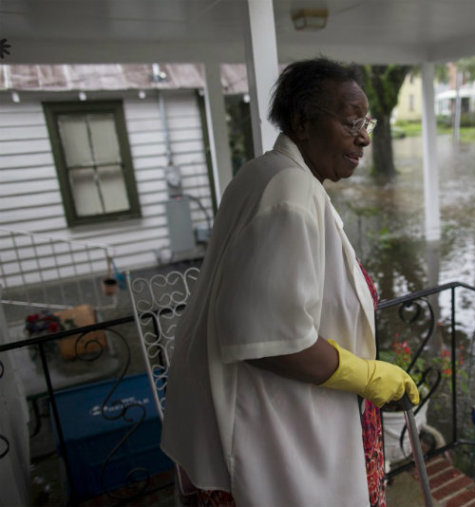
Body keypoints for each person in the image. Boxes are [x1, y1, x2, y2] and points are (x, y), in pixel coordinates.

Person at [160, 58, 420, 507]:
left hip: (277, 418)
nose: (364, 136)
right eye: (350, 121)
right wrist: (368, 375)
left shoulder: (263, 172)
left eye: (368, 122)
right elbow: (271, 340)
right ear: (302, 121)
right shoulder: (290, 192)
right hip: (278, 432)